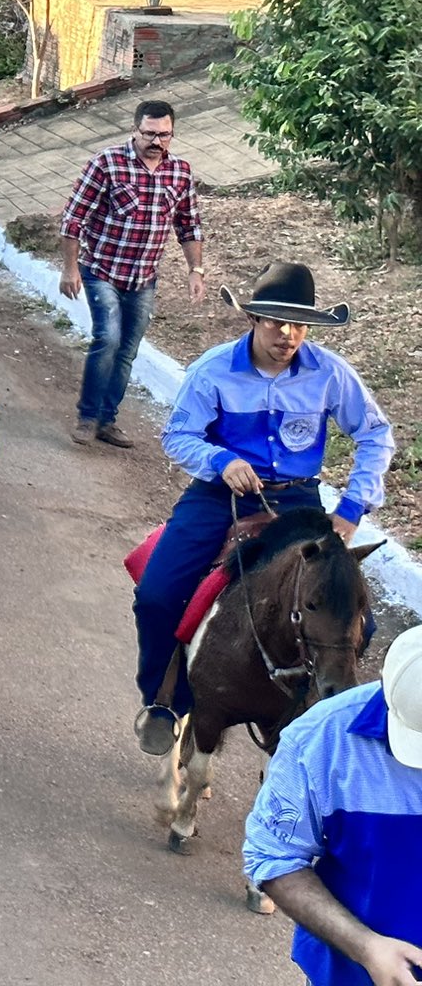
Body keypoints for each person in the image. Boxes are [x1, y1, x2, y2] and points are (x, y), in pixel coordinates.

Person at [133, 262, 392, 753]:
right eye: (275, 321)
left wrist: (353, 506)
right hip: (220, 495)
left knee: (358, 614)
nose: (288, 334)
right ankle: (163, 701)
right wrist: (219, 458)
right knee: (157, 596)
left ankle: (310, 709)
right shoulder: (212, 369)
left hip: (297, 499)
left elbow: (376, 434)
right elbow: (178, 435)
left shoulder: (330, 374)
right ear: (253, 320)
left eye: (298, 324)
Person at [244, 624, 422, 986]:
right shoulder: (318, 742)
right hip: (351, 978)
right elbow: (273, 858)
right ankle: (164, 699)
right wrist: (367, 947)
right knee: (159, 599)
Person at [58, 100, 206, 449]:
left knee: (127, 350)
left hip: (143, 278)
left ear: (173, 134)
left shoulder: (179, 173)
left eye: (164, 135)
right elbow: (73, 218)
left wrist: (195, 270)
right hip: (101, 269)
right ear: (135, 131)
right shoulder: (107, 163)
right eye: (150, 134)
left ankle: (108, 420)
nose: (157, 141)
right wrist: (69, 268)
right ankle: (87, 417)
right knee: (107, 339)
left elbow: (189, 225)